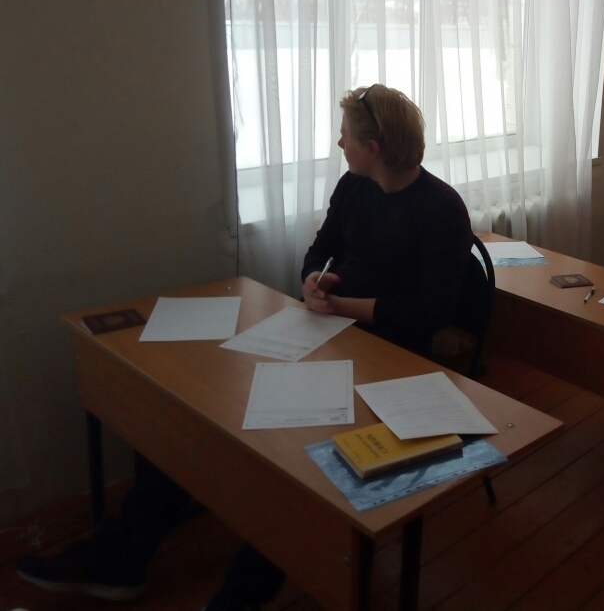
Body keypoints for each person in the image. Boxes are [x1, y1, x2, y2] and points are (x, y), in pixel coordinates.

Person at [16, 85, 475, 610]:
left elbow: (430, 312)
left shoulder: (441, 208)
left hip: (392, 363)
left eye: (345, 136)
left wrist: (342, 306)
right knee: (200, 416)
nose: (339, 143)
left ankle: (231, 598)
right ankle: (121, 556)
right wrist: (312, 281)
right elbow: (320, 250)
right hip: (330, 335)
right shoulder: (354, 186)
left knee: (294, 478)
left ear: (373, 148)